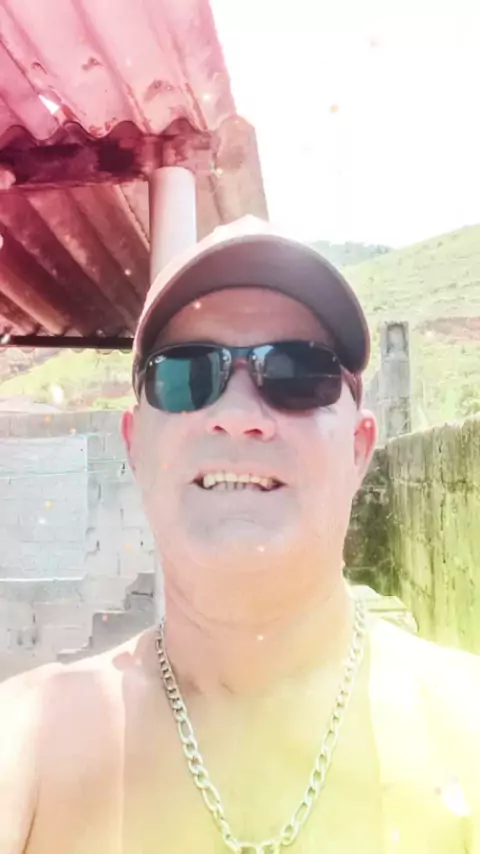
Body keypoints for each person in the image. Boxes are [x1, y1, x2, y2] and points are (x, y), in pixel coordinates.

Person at [1, 216, 480, 854]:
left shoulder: (465, 729)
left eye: (297, 373)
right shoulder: (28, 746)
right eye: (186, 374)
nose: (236, 416)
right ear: (135, 446)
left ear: (359, 448)